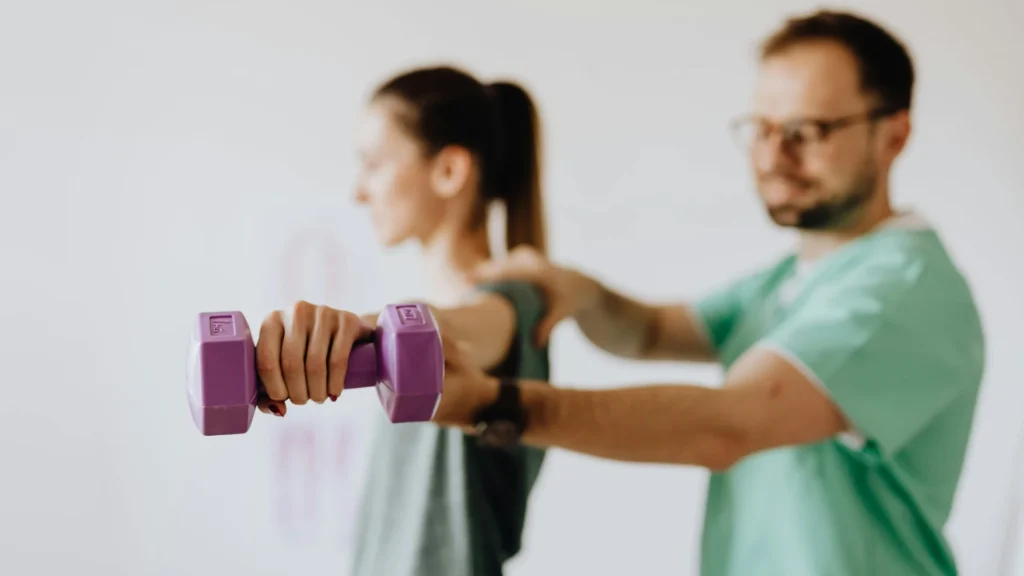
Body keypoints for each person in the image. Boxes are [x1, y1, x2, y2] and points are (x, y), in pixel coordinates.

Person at [258, 9, 986, 576]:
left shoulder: (900, 288)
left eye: (805, 130)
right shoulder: (790, 281)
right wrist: (574, 290)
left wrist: (491, 401)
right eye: (761, 128)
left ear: (894, 135)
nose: (771, 155)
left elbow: (724, 426)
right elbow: (648, 330)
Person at [256, 66, 552, 575]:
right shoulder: (452, 310)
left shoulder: (511, 305)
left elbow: (456, 332)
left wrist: (364, 328)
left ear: (449, 172)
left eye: (373, 164)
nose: (359, 192)